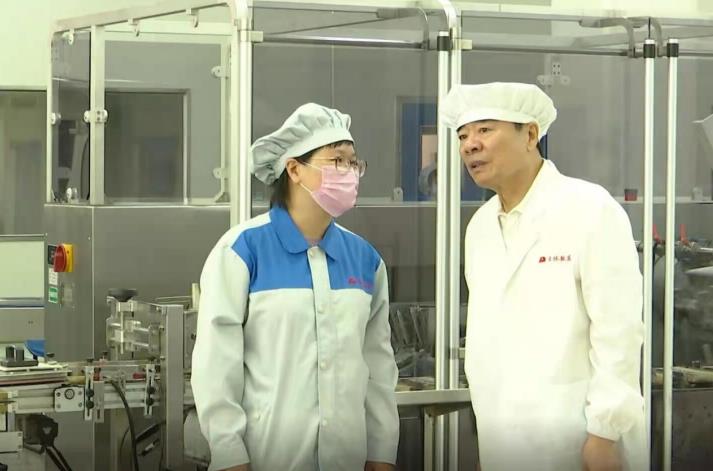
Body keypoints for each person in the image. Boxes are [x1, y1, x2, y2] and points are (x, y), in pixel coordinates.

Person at [441, 82, 646, 471]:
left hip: (579, 440)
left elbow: (618, 331)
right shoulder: (480, 226)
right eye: (463, 135)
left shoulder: (589, 208)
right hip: (503, 441)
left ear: (530, 134)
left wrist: (604, 433)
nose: (470, 145)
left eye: (485, 129)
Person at [191, 103, 399, 471]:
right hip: (265, 459)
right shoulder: (242, 250)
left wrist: (382, 453)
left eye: (354, 163)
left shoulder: (365, 259)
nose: (349, 172)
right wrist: (229, 453)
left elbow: (378, 368)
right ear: (294, 169)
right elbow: (216, 365)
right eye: (337, 160)